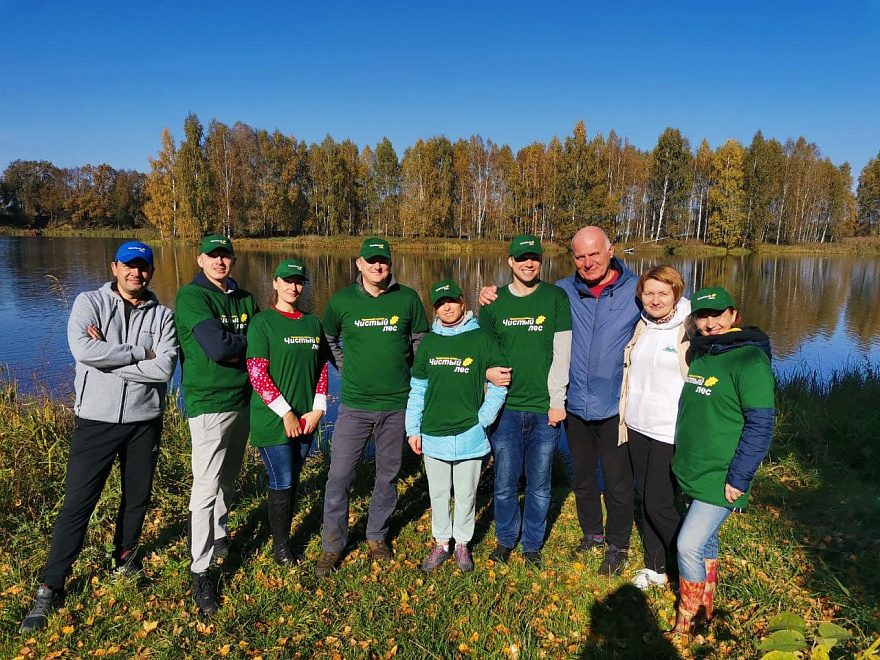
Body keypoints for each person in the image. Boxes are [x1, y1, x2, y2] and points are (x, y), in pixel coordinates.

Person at [19, 241, 178, 632]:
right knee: (77, 502)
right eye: (128, 266)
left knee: (137, 498)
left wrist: (111, 356)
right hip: (96, 420)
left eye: (142, 267)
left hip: (145, 420)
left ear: (151, 272)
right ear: (114, 267)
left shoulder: (164, 315)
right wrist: (140, 353)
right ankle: (51, 587)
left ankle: (124, 559)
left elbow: (164, 369)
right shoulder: (88, 302)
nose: (135, 273)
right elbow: (82, 349)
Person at [316, 237, 429, 576]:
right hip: (354, 406)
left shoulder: (408, 298)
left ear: (389, 264)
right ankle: (332, 545)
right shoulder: (341, 301)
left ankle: (377, 536)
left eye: (383, 261)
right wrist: (346, 367)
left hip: (397, 405)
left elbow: (420, 344)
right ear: (359, 263)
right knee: (339, 476)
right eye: (371, 261)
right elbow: (330, 338)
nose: (378, 266)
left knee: (388, 475)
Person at [671, 286, 775, 634]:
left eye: (718, 314)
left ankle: (688, 623)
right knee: (706, 542)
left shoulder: (749, 359)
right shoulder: (704, 353)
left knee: (687, 545)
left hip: (722, 474)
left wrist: (740, 476)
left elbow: (761, 423)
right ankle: (706, 608)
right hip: (693, 469)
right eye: (702, 315)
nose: (710, 322)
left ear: (733, 314)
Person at [175, 234, 258, 614]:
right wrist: (250, 343)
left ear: (232, 260)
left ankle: (220, 533)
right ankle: (201, 568)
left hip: (243, 399)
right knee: (206, 485)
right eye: (213, 256)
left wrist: (248, 341)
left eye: (225, 256)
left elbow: (263, 338)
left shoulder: (244, 299)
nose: (220, 262)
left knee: (228, 476)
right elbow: (218, 347)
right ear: (200, 260)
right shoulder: (192, 297)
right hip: (209, 403)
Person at [478, 235, 572, 567]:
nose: (528, 263)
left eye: (534, 257)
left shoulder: (556, 298)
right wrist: (488, 376)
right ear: (510, 262)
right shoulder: (493, 302)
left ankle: (532, 544)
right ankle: (506, 540)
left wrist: (557, 401)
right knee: (504, 481)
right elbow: (483, 353)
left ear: (541, 261)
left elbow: (562, 353)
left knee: (540, 483)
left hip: (544, 407)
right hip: (505, 409)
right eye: (521, 258)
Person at [555, 226, 641, 575]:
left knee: (618, 481)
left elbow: (677, 311)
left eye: (594, 253)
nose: (587, 262)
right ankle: (591, 533)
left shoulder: (636, 290)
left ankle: (618, 544)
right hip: (575, 403)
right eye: (580, 256)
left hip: (614, 407)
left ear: (611, 250)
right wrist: (490, 295)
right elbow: (522, 300)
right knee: (583, 477)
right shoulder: (562, 291)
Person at [405, 280, 507, 572]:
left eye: (451, 301)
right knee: (438, 493)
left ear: (463, 303)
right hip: (433, 433)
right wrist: (412, 428)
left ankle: (462, 544)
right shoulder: (429, 343)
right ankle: (441, 543)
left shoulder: (482, 339)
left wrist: (483, 419)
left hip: (469, 434)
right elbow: (418, 389)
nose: (446, 307)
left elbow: (499, 385)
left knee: (465, 494)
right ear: (434, 308)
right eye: (440, 303)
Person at [246, 259, 329, 566]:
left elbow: (320, 367)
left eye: (299, 282)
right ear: (276, 283)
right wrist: (285, 412)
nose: (294, 287)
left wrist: (318, 409)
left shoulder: (311, 322)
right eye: (288, 281)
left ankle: (285, 539)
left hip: (307, 418)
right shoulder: (263, 323)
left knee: (293, 477)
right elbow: (257, 373)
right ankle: (281, 548)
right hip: (275, 418)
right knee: (282, 479)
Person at [619, 266, 690, 590]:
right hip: (637, 425)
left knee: (659, 503)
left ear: (676, 293)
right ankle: (655, 567)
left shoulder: (689, 328)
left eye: (663, 293)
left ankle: (689, 569)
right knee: (646, 496)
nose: (655, 299)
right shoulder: (642, 325)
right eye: (649, 293)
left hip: (668, 431)